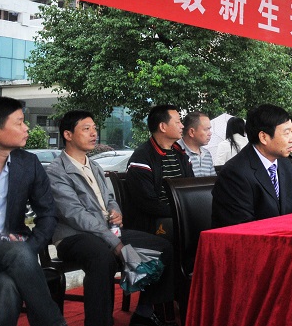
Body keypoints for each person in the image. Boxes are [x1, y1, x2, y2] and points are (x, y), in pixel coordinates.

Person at [47, 110, 174, 326]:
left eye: (94, 128)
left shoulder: (94, 165)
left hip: (106, 231)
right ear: (68, 135)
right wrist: (115, 242)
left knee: (164, 247)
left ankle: (144, 313)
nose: (93, 133)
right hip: (74, 236)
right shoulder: (56, 171)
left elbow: (109, 198)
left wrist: (116, 211)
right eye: (86, 129)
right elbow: (75, 215)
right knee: (102, 257)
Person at [0, 97, 67, 326]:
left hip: (12, 255)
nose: (26, 128)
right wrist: (20, 251)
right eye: (19, 122)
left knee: (7, 286)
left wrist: (29, 248)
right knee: (17, 252)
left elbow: (48, 214)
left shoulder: (28, 163)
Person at [212, 105, 292, 227]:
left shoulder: (285, 164)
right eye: (287, 133)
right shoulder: (234, 174)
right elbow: (243, 228)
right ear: (263, 137)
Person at [126, 104, 193, 238]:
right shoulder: (142, 158)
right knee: (194, 227)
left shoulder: (181, 154)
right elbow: (148, 203)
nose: (182, 126)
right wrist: (182, 212)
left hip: (180, 214)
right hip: (153, 222)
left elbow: (190, 188)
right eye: (178, 122)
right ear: (162, 127)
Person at [177, 112, 215, 177]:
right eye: (206, 129)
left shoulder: (207, 154)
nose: (210, 133)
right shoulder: (175, 152)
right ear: (191, 132)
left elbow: (213, 181)